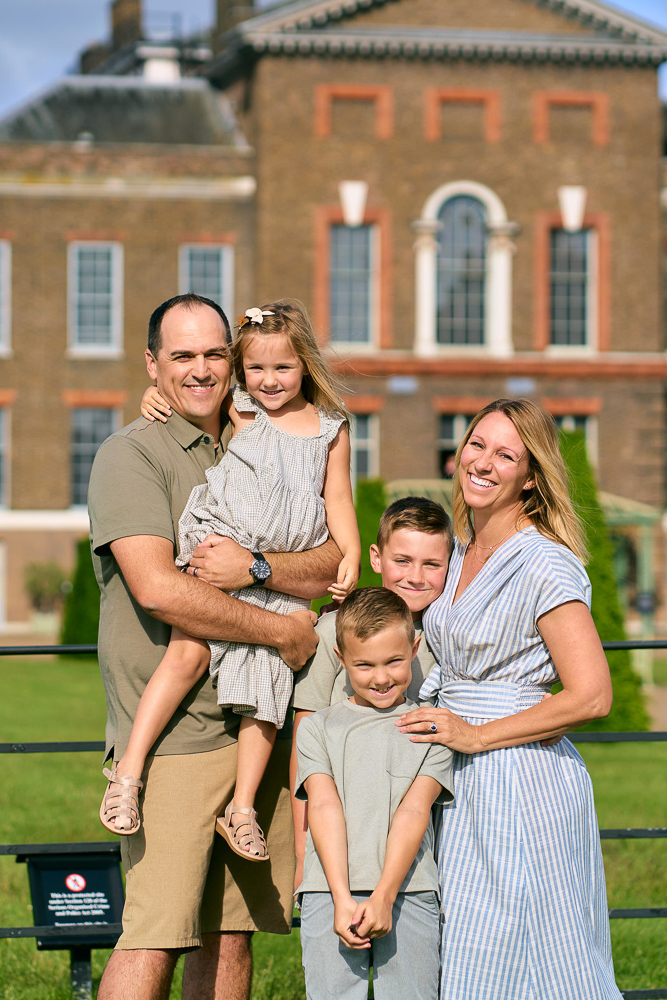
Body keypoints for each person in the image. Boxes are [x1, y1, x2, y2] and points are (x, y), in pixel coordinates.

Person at [88, 293, 341, 1000]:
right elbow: (160, 591)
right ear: (153, 364)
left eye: (211, 354)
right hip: (174, 737)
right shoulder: (131, 454)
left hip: (255, 726)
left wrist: (258, 567)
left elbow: (327, 560)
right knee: (155, 934)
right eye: (181, 357)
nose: (199, 370)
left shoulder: (261, 434)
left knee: (231, 935)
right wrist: (284, 629)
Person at [397, 398, 623, 1000]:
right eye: (477, 444)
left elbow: (592, 693)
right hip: (461, 777)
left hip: (521, 780)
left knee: (537, 953)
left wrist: (476, 735)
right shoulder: (463, 550)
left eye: (506, 454)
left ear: (531, 474)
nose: (484, 462)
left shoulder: (544, 562)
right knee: (474, 946)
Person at [295, 587, 454, 1000]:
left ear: (415, 648)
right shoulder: (316, 729)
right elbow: (323, 807)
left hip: (409, 890)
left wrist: (384, 895)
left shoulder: (432, 730)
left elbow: (415, 811)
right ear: (341, 657)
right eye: (364, 665)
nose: (381, 677)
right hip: (328, 891)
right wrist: (341, 896)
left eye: (394, 662)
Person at [291, 496, 453, 885]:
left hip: (416, 831)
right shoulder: (335, 630)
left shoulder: (447, 639)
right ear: (377, 558)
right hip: (339, 829)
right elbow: (305, 733)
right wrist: (302, 852)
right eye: (402, 561)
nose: (415, 576)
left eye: (432, 564)